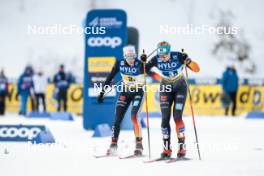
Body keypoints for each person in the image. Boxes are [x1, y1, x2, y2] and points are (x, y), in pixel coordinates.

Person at [141, 41, 200, 159]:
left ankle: (182, 147)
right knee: (164, 119)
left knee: (177, 117)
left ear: (169, 52)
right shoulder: (156, 59)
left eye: (165, 56)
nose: (162, 58)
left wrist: (188, 61)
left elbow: (197, 69)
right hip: (165, 87)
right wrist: (143, 61)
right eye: (160, 55)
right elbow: (143, 69)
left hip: (180, 87)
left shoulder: (178, 56)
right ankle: (167, 149)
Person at [97, 45, 146, 156]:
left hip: (138, 92)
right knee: (117, 118)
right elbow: (110, 77)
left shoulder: (140, 63)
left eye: (133, 57)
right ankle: (113, 145)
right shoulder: (120, 63)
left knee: (134, 116)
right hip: (125, 92)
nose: (131, 60)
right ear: (124, 57)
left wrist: (145, 62)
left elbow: (148, 68)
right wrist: (102, 92)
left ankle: (139, 144)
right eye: (128, 58)